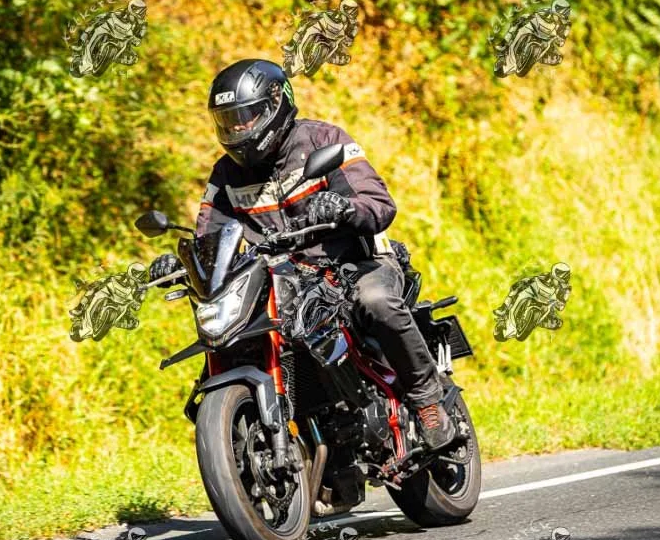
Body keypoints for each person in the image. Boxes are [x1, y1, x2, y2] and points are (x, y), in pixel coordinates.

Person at [148, 59, 456, 454]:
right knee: (234, 337)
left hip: (353, 263)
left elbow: (378, 202)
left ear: (275, 105)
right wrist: (185, 264)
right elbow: (210, 237)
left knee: (376, 301)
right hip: (284, 281)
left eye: (245, 118)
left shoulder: (323, 140)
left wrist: (344, 209)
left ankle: (427, 400)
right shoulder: (225, 175)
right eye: (228, 122)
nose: (238, 129)